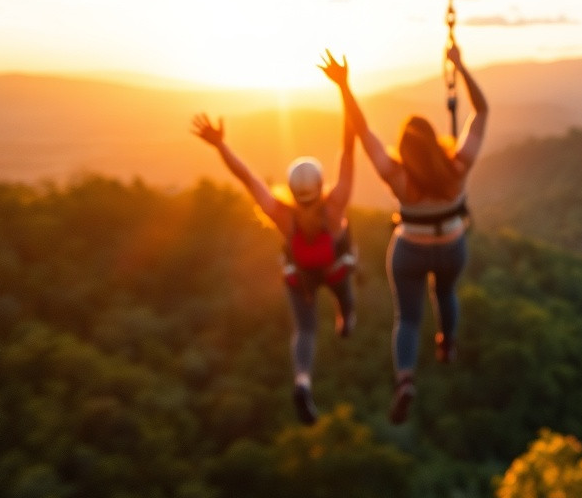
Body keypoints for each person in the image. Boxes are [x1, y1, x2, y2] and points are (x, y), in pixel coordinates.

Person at [321, 45, 487, 425]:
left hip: (409, 250)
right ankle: (447, 344)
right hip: (451, 247)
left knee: (408, 318)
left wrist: (344, 87)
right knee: (445, 292)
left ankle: (405, 379)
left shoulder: (397, 176)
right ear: (432, 140)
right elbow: (481, 112)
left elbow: (362, 132)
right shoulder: (458, 167)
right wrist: (459, 66)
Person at [190, 90, 357, 426]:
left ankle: (302, 381)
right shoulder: (335, 207)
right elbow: (348, 150)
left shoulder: (282, 214)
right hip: (334, 270)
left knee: (305, 331)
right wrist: (343, 89)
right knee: (345, 292)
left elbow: (247, 178)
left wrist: (221, 145)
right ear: (321, 184)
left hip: (300, 277)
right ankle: (345, 319)